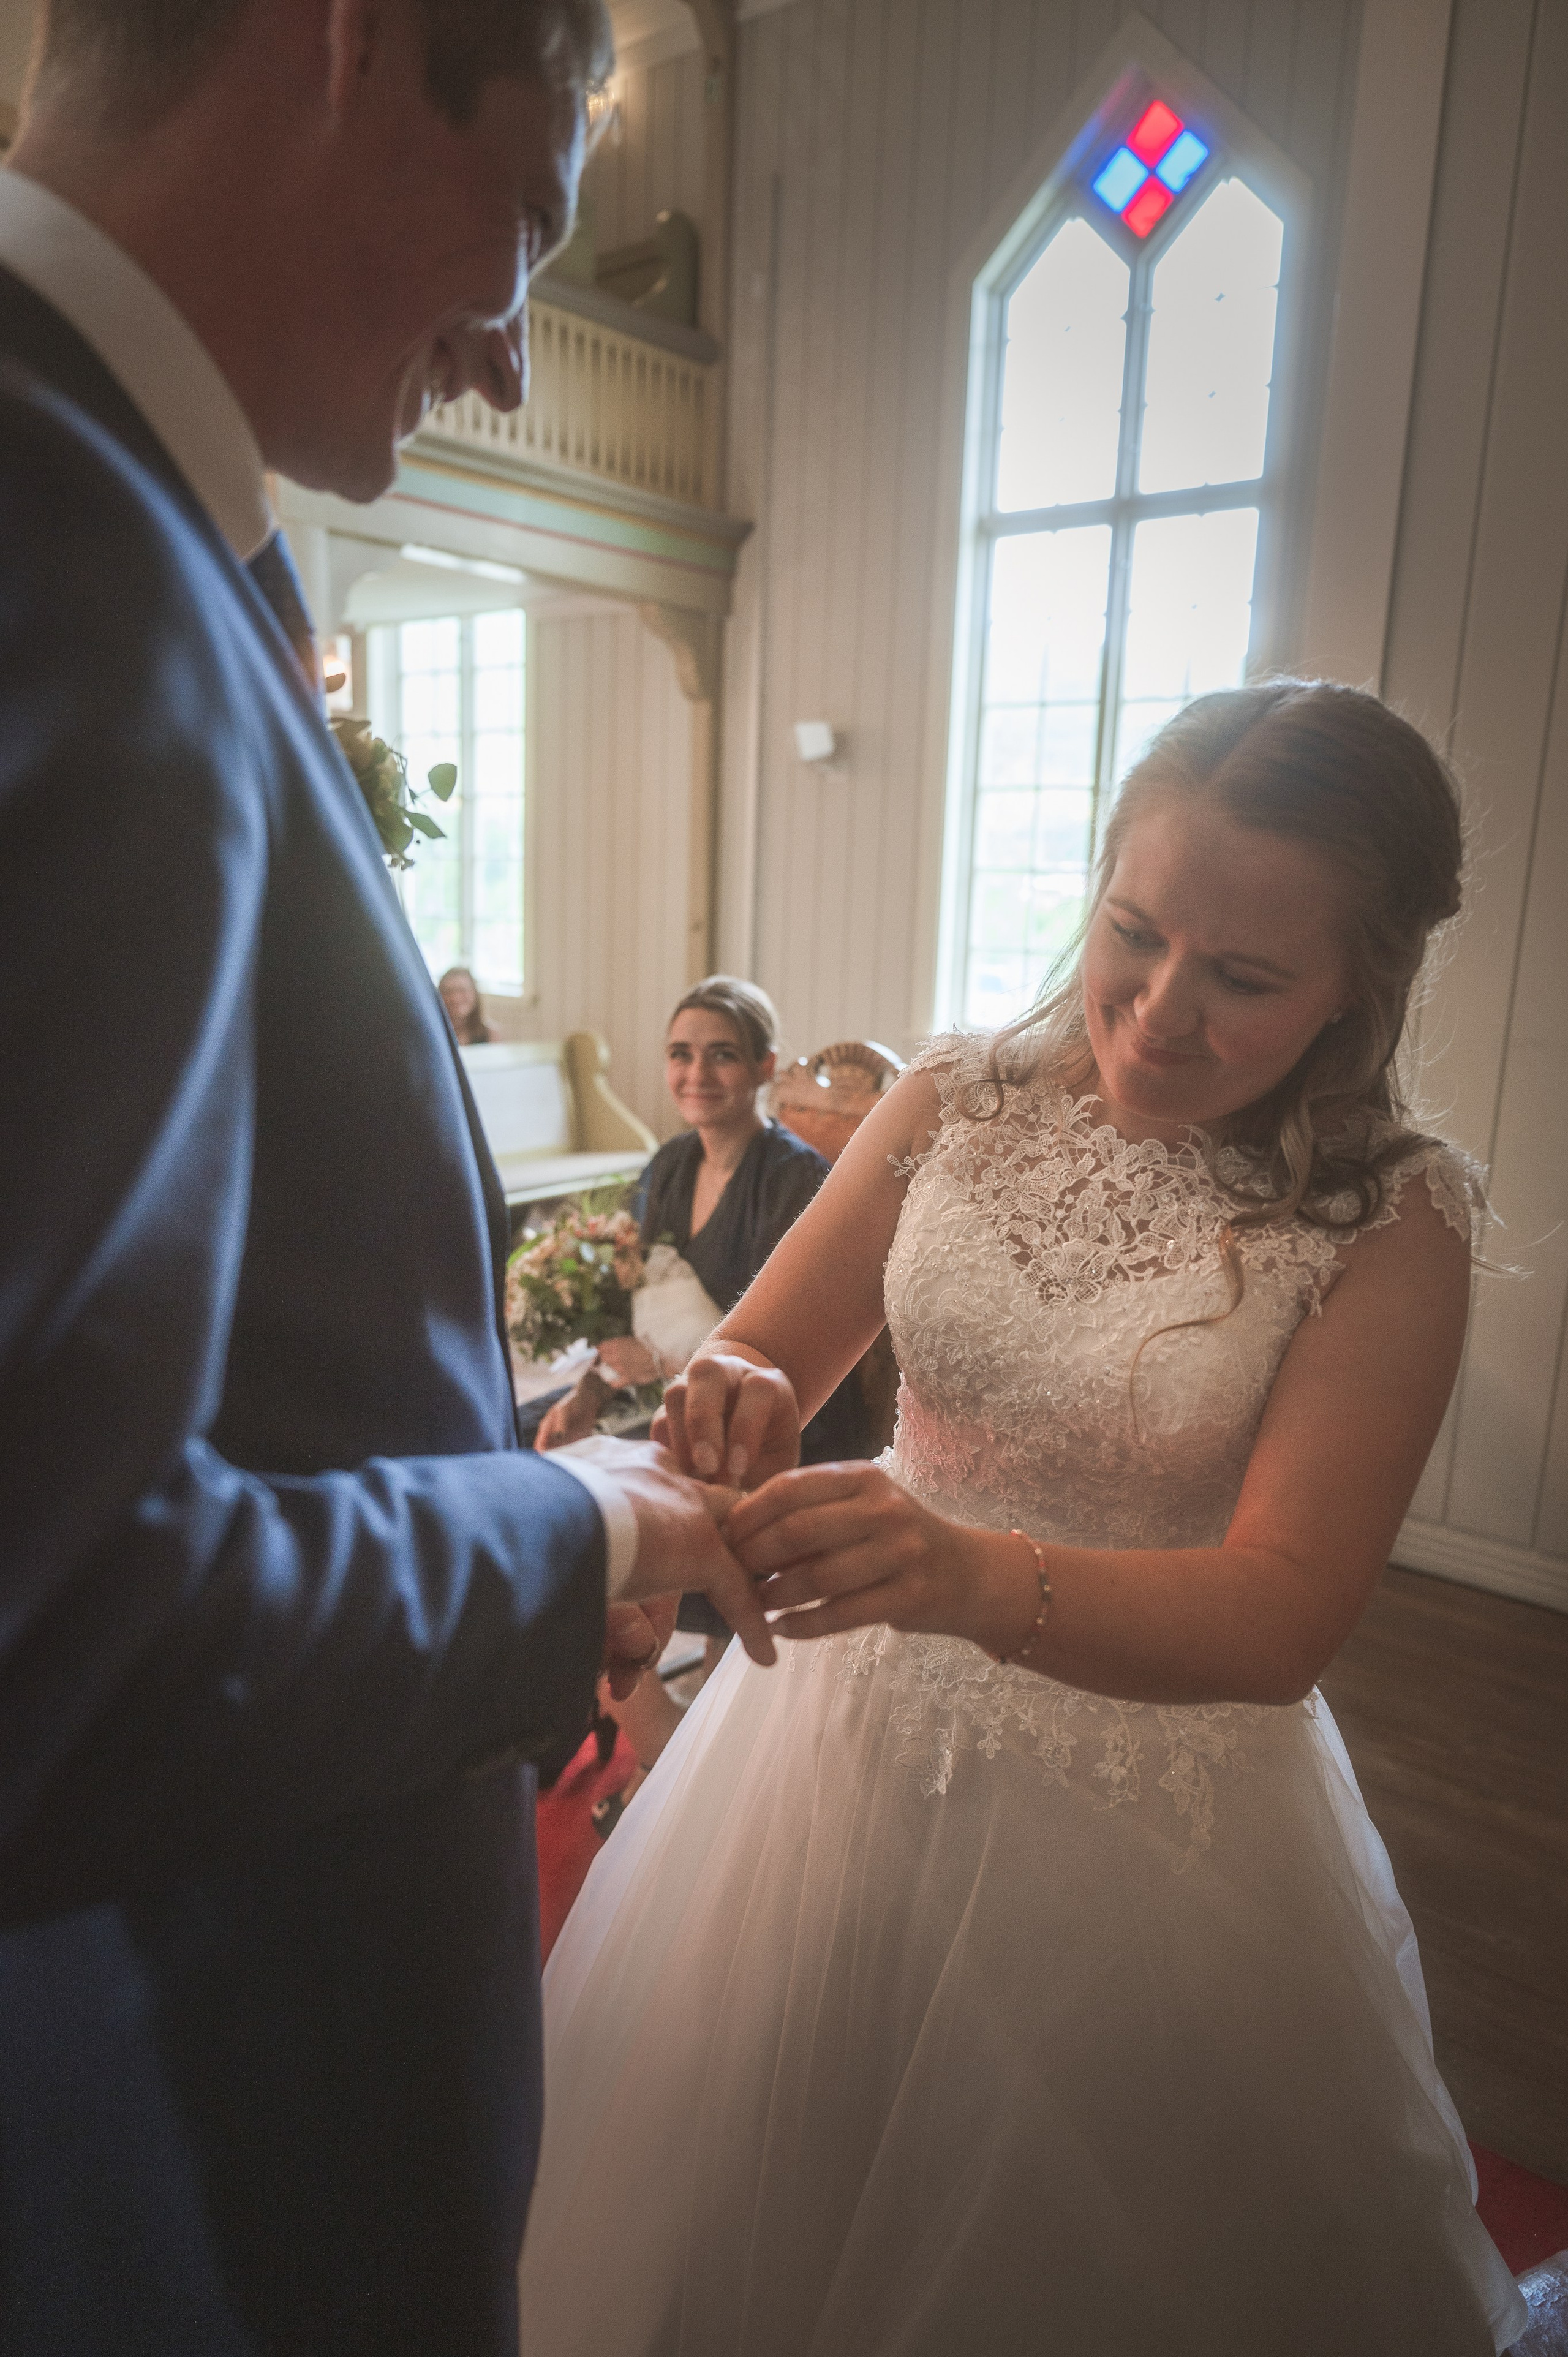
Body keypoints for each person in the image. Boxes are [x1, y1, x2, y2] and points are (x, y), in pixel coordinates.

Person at [0, 7, 775, 2354]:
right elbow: (52, 1627)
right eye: (529, 224)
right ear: (341, 42)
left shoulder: (124, 512)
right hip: (188, 2089)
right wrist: (579, 1535)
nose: (521, 361)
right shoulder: (66, 551)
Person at [519, 682, 1530, 2355]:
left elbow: (1281, 1614)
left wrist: (961, 1569)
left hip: (1159, 1809)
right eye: (1132, 931)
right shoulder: (956, 1100)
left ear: (1364, 983)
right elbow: (773, 1336)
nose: (1155, 1013)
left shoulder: (1390, 1215)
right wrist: (744, 1392)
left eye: (1248, 978)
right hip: (834, 1745)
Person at [535, 976, 873, 1797]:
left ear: (762, 1067)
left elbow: (781, 1336)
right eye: (681, 1055)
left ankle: (699, 1770)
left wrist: (666, 1370)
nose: (697, 1074)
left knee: (673, 1498)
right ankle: (662, 1753)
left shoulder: (791, 1178)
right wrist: (586, 1389)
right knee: (542, 1464)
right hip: (679, 1404)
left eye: (722, 1056)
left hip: (785, 1419)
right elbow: (636, 1310)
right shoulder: (668, 1164)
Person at [440, 962, 496, 1043]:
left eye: (463, 991)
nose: (456, 998)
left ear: (475, 994)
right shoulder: (431, 1032)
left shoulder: (491, 1034)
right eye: (448, 992)